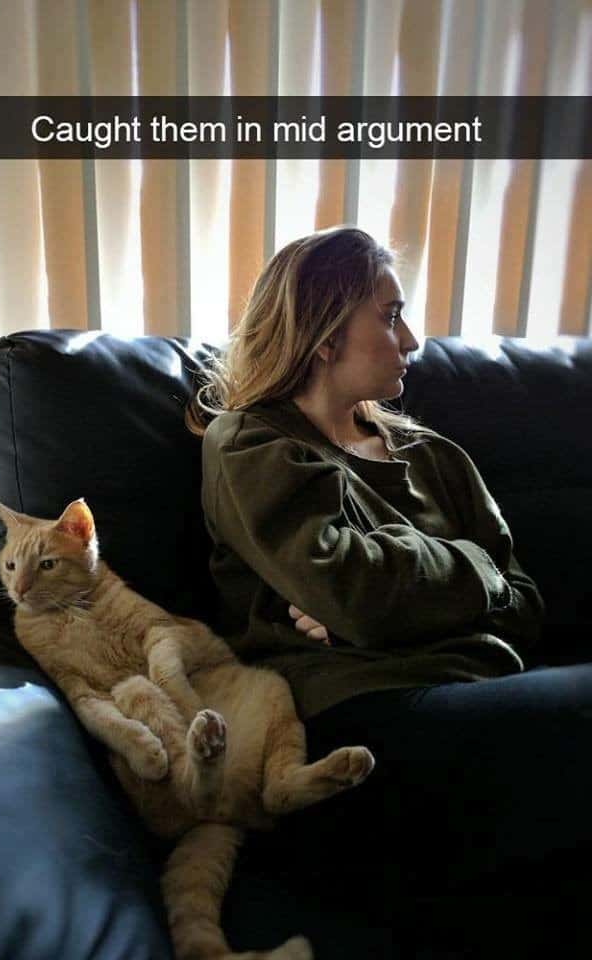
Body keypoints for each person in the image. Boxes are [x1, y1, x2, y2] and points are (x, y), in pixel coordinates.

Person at [185, 226, 590, 949]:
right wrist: (465, 575)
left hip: (484, 693)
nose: (413, 340)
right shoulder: (252, 445)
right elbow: (360, 600)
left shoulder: (436, 457)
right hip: (363, 721)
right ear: (324, 332)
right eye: (392, 315)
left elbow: (525, 606)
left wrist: (406, 580)